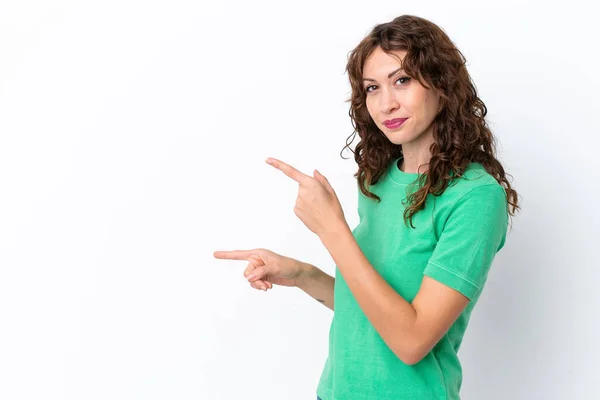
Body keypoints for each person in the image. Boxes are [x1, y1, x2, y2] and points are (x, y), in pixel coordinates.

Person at [214, 14, 520, 400]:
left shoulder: (475, 197)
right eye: (372, 88)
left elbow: (411, 340)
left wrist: (332, 230)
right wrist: (301, 274)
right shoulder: (377, 180)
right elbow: (370, 310)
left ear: (442, 84)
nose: (386, 103)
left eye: (402, 80)